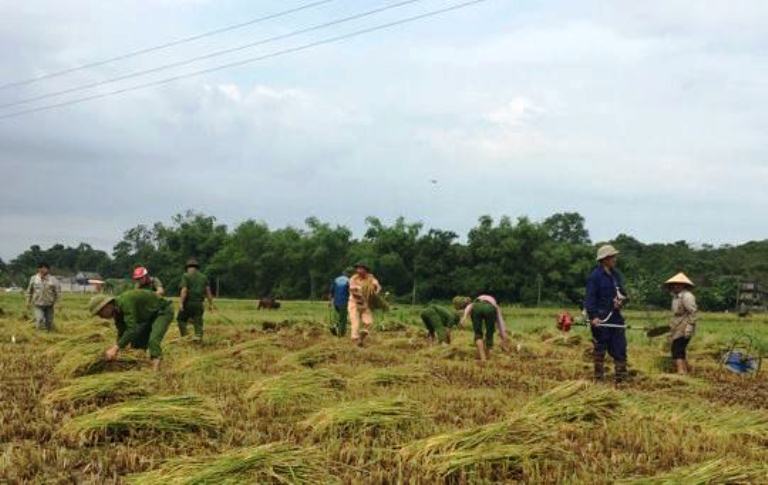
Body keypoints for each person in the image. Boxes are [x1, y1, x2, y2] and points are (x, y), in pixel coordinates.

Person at [88, 290, 173, 371]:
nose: (101, 317)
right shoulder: (117, 311)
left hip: (162, 311)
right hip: (148, 317)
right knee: (137, 344)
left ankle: (155, 372)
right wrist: (118, 350)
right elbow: (122, 332)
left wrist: (115, 348)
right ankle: (142, 366)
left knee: (153, 341)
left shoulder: (126, 302)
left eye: (100, 313)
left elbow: (132, 329)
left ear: (106, 306)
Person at [585, 244, 629, 383]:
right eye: (612, 257)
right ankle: (598, 379)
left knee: (620, 347)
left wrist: (621, 300)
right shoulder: (595, 277)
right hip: (601, 318)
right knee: (600, 349)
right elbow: (590, 298)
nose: (615, 259)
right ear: (604, 259)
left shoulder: (616, 275)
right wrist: (593, 317)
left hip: (616, 317)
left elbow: (623, 294)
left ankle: (621, 379)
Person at [456, 295, 511, 361]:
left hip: (477, 308)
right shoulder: (495, 307)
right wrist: (504, 339)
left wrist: (464, 317)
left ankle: (483, 359)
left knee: (478, 334)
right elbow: (501, 324)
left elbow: (470, 306)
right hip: (490, 309)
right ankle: (489, 357)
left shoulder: (477, 301)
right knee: (489, 335)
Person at [664, 272, 697, 375]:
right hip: (677, 326)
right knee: (679, 349)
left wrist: (690, 327)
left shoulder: (687, 296)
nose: (675, 286)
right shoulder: (675, 297)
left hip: (685, 326)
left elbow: (693, 312)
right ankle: (684, 370)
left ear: (683, 285)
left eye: (678, 284)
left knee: (677, 349)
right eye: (674, 284)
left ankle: (681, 372)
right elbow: (676, 314)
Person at [178, 258, 214, 341]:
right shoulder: (204, 277)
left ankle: (185, 336)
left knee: (181, 319)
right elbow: (208, 292)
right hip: (199, 304)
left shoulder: (186, 276)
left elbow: (184, 290)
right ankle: (198, 337)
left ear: (187, 267)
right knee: (198, 321)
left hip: (188, 303)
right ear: (197, 267)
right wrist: (211, 304)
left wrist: (181, 303)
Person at [348, 262, 381, 347]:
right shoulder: (353, 278)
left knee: (368, 322)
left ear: (365, 270)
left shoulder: (371, 278)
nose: (359, 270)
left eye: (361, 269)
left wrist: (375, 291)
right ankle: (355, 340)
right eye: (357, 269)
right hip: (354, 302)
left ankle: (361, 338)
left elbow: (377, 286)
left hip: (366, 303)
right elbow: (352, 289)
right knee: (355, 322)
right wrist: (359, 288)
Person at [26, 262, 60, 331]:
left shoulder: (53, 279)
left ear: (48, 269)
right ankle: (38, 334)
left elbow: (58, 292)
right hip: (38, 304)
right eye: (41, 268)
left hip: (49, 304)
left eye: (45, 268)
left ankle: (49, 334)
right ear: (38, 269)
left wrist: (58, 303)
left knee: (49, 322)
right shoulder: (34, 278)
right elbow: (29, 291)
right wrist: (28, 301)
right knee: (39, 319)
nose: (42, 269)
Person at [329, 268, 352, 337]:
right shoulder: (349, 281)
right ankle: (341, 335)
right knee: (343, 319)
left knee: (340, 317)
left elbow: (331, 291)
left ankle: (335, 326)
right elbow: (351, 292)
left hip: (336, 303)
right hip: (344, 302)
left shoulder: (336, 279)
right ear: (349, 274)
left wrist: (330, 301)